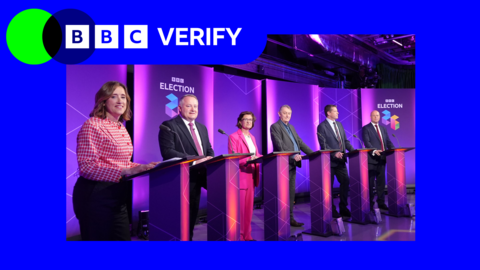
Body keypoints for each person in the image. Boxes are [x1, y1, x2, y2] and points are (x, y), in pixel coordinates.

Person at [73, 81, 160, 241]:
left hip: (117, 195)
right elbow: (87, 167)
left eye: (123, 97)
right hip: (95, 196)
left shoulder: (121, 127)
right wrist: (127, 171)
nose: (120, 101)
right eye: (114, 96)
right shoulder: (92, 125)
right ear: (103, 101)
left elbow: (122, 163)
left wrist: (143, 167)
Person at [158, 94, 214, 240]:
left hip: (203, 175)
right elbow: (167, 152)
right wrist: (195, 161)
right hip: (183, 178)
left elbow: (208, 149)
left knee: (193, 216)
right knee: (183, 218)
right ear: (180, 108)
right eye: (189, 106)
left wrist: (211, 159)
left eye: (195, 106)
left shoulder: (202, 128)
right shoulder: (169, 126)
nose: (193, 109)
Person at [270, 105, 313, 227]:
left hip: (293, 164)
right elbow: (280, 145)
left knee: (291, 193)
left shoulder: (292, 127)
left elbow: (299, 142)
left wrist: (313, 154)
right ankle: (280, 219)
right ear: (279, 114)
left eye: (289, 113)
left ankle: (290, 218)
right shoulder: (275, 127)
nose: (287, 115)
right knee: (282, 194)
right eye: (285, 113)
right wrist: (292, 156)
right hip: (283, 164)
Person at [228, 111, 262, 241]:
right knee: (241, 211)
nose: (248, 121)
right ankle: (240, 237)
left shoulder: (252, 137)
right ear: (240, 121)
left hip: (252, 175)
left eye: (251, 119)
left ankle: (247, 235)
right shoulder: (233, 137)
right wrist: (248, 160)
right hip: (241, 176)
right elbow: (233, 159)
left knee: (248, 210)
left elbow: (256, 154)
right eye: (245, 119)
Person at [317, 105, 355, 218]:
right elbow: (323, 144)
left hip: (341, 161)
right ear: (328, 113)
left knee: (345, 181)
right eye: (335, 111)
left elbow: (345, 141)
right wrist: (334, 153)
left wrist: (354, 151)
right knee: (329, 186)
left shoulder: (339, 124)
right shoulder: (321, 126)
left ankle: (343, 207)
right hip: (329, 162)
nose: (338, 113)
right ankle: (331, 209)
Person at [361, 110, 395, 211]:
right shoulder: (366, 128)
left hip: (382, 159)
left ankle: (381, 202)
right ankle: (370, 204)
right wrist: (374, 150)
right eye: (374, 115)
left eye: (377, 115)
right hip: (372, 159)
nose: (376, 117)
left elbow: (388, 142)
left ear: (380, 117)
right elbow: (367, 142)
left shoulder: (383, 128)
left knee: (381, 183)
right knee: (370, 184)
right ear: (370, 117)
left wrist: (394, 150)